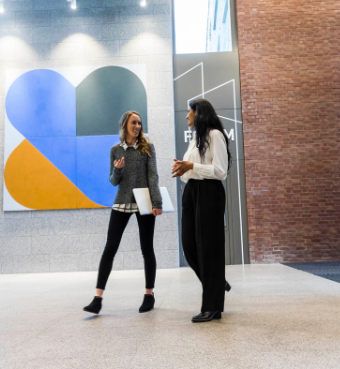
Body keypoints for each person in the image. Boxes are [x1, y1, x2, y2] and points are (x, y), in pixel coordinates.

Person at [84, 111, 163, 314]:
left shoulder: (147, 148)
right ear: (125, 125)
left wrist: (157, 202)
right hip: (121, 202)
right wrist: (118, 169)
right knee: (109, 248)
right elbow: (112, 181)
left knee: (147, 249)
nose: (137, 126)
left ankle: (149, 294)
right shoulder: (115, 150)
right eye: (133, 122)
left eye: (139, 123)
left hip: (144, 202)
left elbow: (153, 176)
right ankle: (97, 298)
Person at [171, 99, 232, 323]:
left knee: (209, 249)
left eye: (190, 113)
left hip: (209, 193)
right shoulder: (195, 138)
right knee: (189, 245)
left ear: (199, 114)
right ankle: (216, 282)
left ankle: (212, 307)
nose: (187, 116)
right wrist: (183, 169)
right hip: (192, 192)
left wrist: (193, 167)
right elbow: (190, 169)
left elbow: (220, 171)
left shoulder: (215, 135)